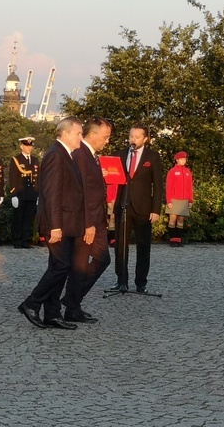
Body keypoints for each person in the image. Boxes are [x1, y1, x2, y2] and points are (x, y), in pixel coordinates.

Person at [18, 116, 84, 330]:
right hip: (58, 222)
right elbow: (52, 192)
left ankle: (53, 313)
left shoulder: (67, 154)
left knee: (60, 266)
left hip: (67, 221)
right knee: (61, 266)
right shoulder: (56, 154)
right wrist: (55, 225)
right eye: (78, 133)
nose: (81, 137)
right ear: (65, 133)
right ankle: (31, 303)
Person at [62, 117, 112, 323]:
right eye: (106, 137)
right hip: (86, 221)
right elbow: (82, 193)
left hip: (96, 219)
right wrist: (88, 223)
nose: (107, 141)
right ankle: (71, 305)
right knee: (80, 264)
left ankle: (72, 300)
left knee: (101, 260)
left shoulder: (90, 155)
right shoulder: (81, 154)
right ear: (92, 135)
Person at [111, 124, 163, 293]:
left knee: (143, 246)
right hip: (123, 206)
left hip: (144, 208)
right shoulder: (120, 155)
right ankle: (122, 280)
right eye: (131, 136)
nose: (133, 139)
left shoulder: (153, 157)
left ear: (145, 139)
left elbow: (158, 185)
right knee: (120, 245)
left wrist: (156, 210)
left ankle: (141, 282)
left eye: (137, 137)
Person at [8, 137, 39, 249]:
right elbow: (12, 177)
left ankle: (25, 240)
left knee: (28, 219)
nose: (29, 148)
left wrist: (38, 194)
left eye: (30, 146)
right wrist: (14, 194)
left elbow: (37, 178)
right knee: (18, 218)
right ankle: (17, 240)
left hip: (32, 194)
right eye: (26, 145)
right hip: (20, 194)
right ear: (21, 146)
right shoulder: (16, 159)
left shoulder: (35, 160)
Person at [166, 151, 193, 247]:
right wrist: (168, 200)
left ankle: (178, 239)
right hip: (174, 199)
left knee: (181, 220)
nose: (183, 161)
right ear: (177, 160)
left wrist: (190, 200)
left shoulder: (187, 172)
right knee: (172, 219)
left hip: (184, 199)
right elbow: (168, 187)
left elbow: (190, 187)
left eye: (185, 159)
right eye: (181, 159)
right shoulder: (172, 171)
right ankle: (172, 239)